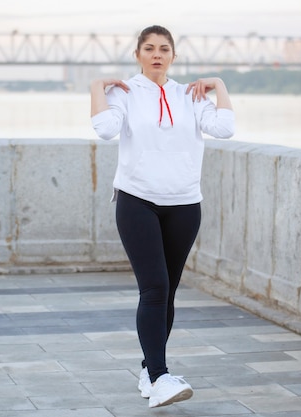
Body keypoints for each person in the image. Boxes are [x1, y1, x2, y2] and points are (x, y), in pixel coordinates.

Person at [89, 25, 235, 408]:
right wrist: (96, 88)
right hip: (137, 201)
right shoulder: (124, 93)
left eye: (164, 48)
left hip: (185, 204)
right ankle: (159, 377)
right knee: (153, 287)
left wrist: (218, 84)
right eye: (149, 48)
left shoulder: (191, 94)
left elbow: (224, 128)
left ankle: (148, 368)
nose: (157, 54)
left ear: (173, 55)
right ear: (138, 54)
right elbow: (105, 130)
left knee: (167, 291)